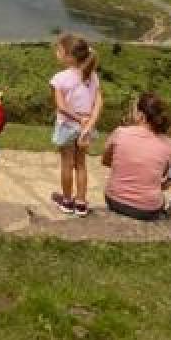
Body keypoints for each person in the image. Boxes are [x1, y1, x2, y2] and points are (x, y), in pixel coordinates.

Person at [49, 33, 103, 217]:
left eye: (59, 50)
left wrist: (78, 120)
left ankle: (66, 201)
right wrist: (88, 124)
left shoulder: (59, 78)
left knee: (67, 163)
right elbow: (98, 102)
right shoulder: (92, 76)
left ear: (69, 57)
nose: (56, 52)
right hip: (86, 125)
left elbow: (61, 106)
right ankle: (81, 203)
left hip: (68, 125)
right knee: (81, 164)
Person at [102, 92, 171, 220]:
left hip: (115, 201)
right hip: (149, 210)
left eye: (134, 110)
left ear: (141, 115)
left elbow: (106, 161)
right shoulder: (169, 144)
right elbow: (161, 174)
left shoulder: (120, 132)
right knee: (162, 199)